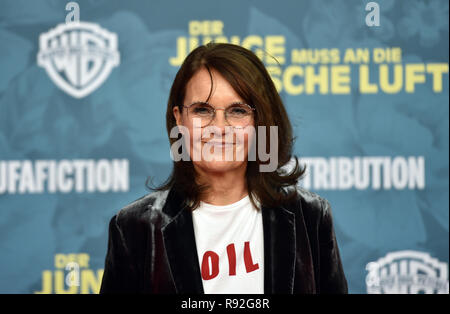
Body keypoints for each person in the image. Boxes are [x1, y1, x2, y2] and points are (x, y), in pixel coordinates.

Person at [99, 43, 348, 294]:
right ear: (179, 118)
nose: (219, 128)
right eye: (202, 110)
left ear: (260, 121)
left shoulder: (311, 217)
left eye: (237, 111)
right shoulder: (133, 228)